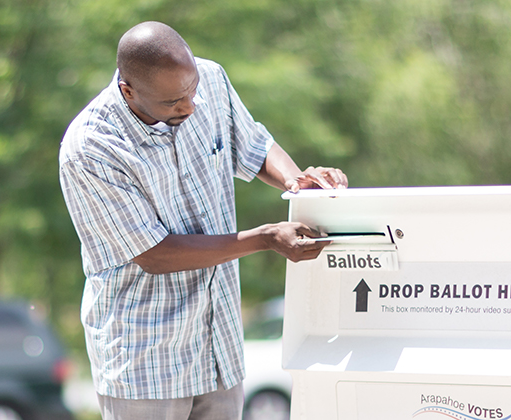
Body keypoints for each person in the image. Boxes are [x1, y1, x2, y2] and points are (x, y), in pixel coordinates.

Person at [58, 21, 348, 420]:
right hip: (146, 362)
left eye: (192, 92)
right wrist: (264, 238)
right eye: (174, 102)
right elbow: (153, 254)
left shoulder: (209, 78)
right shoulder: (90, 149)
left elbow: (255, 146)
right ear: (129, 92)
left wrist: (298, 182)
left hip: (218, 350)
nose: (190, 106)